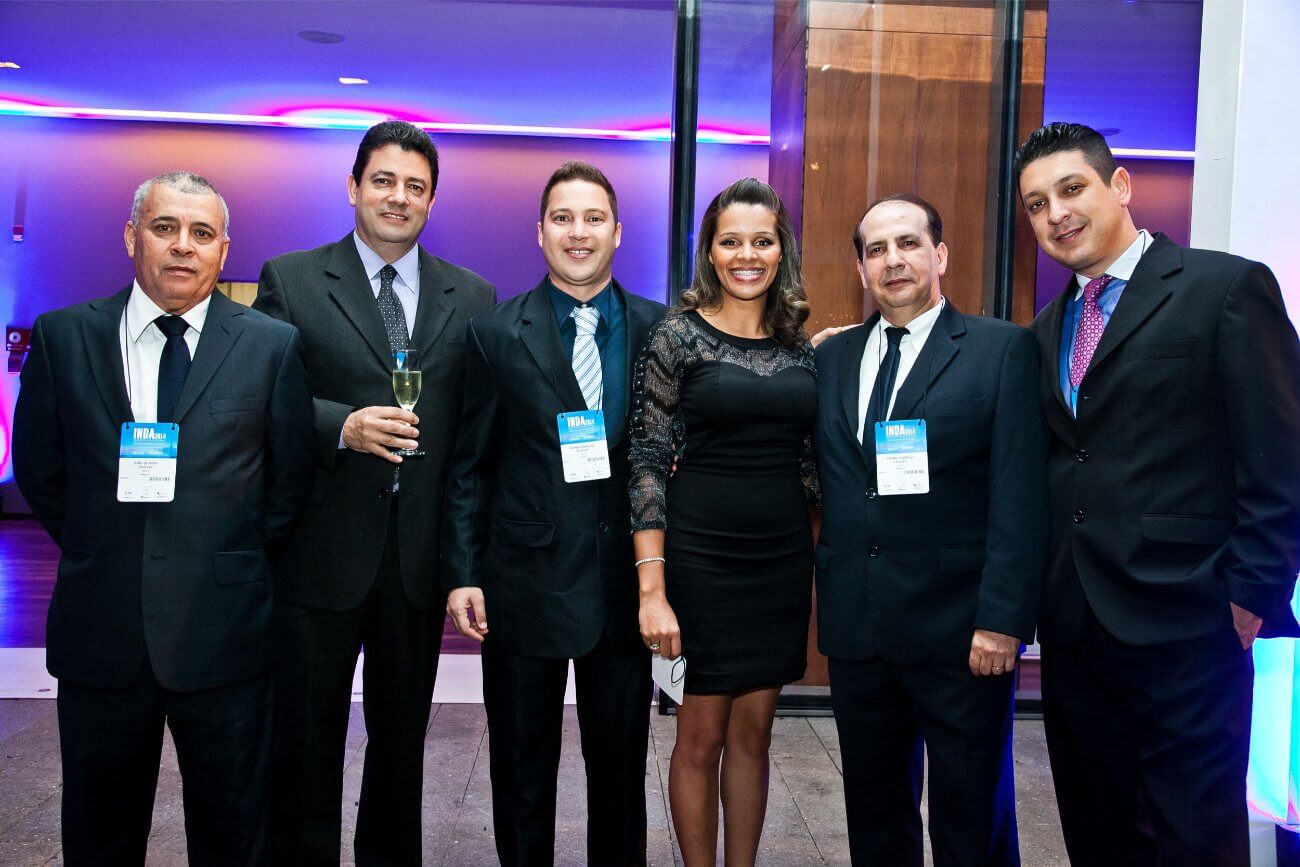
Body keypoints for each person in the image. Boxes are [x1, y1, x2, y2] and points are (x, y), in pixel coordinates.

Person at [1016, 122, 1300, 866]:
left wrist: (1252, 592)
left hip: (1190, 620)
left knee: (1193, 832)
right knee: (1097, 828)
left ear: (1120, 186)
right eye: (1037, 204)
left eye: (1071, 189)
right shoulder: (1044, 330)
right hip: (1076, 629)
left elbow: (1280, 454)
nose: (1056, 214)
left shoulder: (1225, 288)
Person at [11, 171, 314, 864]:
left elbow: (287, 482)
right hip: (102, 628)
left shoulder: (271, 345)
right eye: (165, 227)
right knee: (100, 835)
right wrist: (102, 545)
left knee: (233, 834)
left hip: (225, 631)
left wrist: (228, 560)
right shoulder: (65, 336)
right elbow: (42, 471)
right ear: (131, 236)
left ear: (223, 249)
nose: (183, 246)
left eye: (202, 233)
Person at [253, 120, 496, 864]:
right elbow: (260, 398)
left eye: (415, 186)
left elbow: (472, 444)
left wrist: (463, 565)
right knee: (304, 743)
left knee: (400, 749)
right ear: (353, 187)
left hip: (415, 561)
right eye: (384, 180)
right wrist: (342, 425)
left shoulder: (472, 295)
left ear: (432, 200)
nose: (399, 197)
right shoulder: (292, 279)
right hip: (318, 551)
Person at [441, 160, 665, 866]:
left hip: (622, 587)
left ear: (618, 232)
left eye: (594, 218)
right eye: (563, 218)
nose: (578, 232)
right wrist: (463, 572)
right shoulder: (495, 332)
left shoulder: (663, 329)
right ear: (540, 232)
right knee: (521, 771)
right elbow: (471, 464)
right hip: (523, 584)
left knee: (621, 775)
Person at [813, 194, 1047, 866]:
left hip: (962, 635)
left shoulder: (1001, 350)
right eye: (876, 250)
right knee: (875, 815)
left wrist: (1003, 621)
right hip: (859, 632)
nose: (893, 260)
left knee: (971, 817)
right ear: (860, 269)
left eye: (908, 243)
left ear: (939, 255)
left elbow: (1019, 496)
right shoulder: (830, 358)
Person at [630, 178, 818, 866]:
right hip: (701, 561)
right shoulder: (675, 336)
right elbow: (647, 460)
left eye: (762, 241)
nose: (747, 255)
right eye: (731, 240)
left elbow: (811, 465)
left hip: (780, 564)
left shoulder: (801, 348)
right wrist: (653, 589)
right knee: (700, 737)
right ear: (709, 250)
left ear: (781, 249)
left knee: (754, 737)